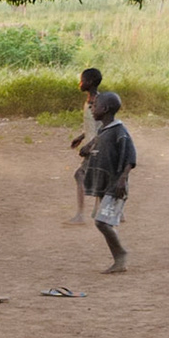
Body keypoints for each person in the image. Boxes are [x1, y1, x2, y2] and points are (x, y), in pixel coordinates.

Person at [84, 91, 136, 273]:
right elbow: (98, 141)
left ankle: (121, 256)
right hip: (105, 185)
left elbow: (130, 157)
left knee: (102, 223)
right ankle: (119, 257)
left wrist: (122, 180)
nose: (92, 108)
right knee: (102, 222)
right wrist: (87, 147)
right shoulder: (105, 129)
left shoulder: (120, 132)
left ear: (105, 109)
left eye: (95, 105)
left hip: (115, 186)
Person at [66, 68, 103, 224]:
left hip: (97, 147)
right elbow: (92, 125)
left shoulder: (97, 102)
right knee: (99, 178)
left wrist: (90, 145)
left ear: (90, 82)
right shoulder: (90, 100)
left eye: (83, 80)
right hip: (93, 145)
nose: (80, 83)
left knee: (80, 175)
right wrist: (81, 137)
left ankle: (81, 215)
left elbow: (103, 128)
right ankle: (99, 212)